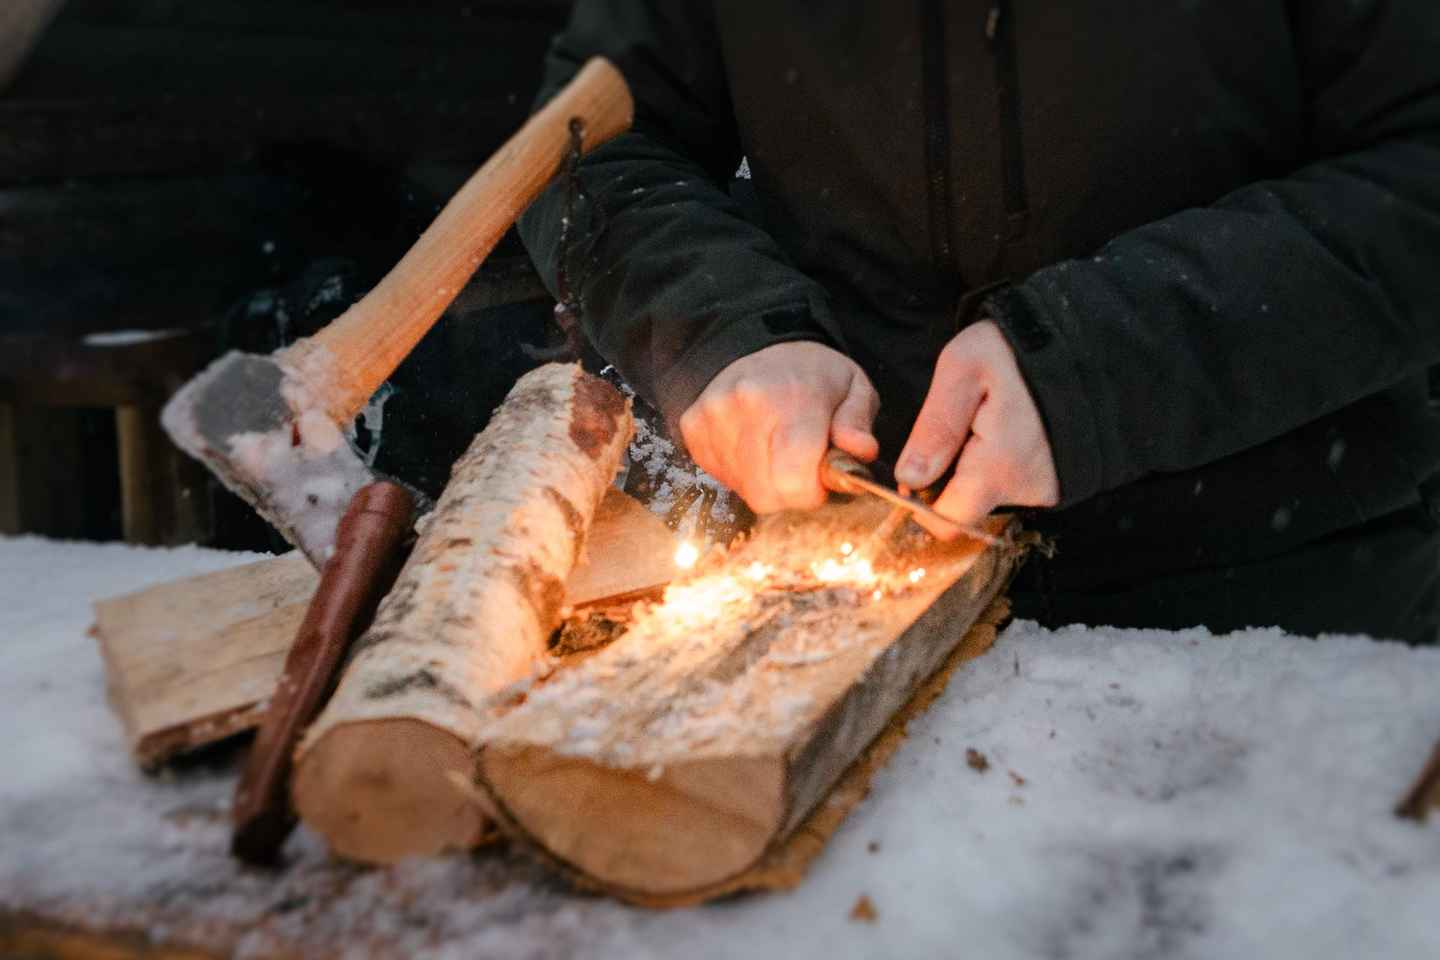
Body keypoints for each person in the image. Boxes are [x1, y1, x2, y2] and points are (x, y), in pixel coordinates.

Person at [519, 1, 1440, 644]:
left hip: (1287, 605)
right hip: (851, 602)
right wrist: (725, 332)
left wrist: (1099, 370)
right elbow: (590, 146)